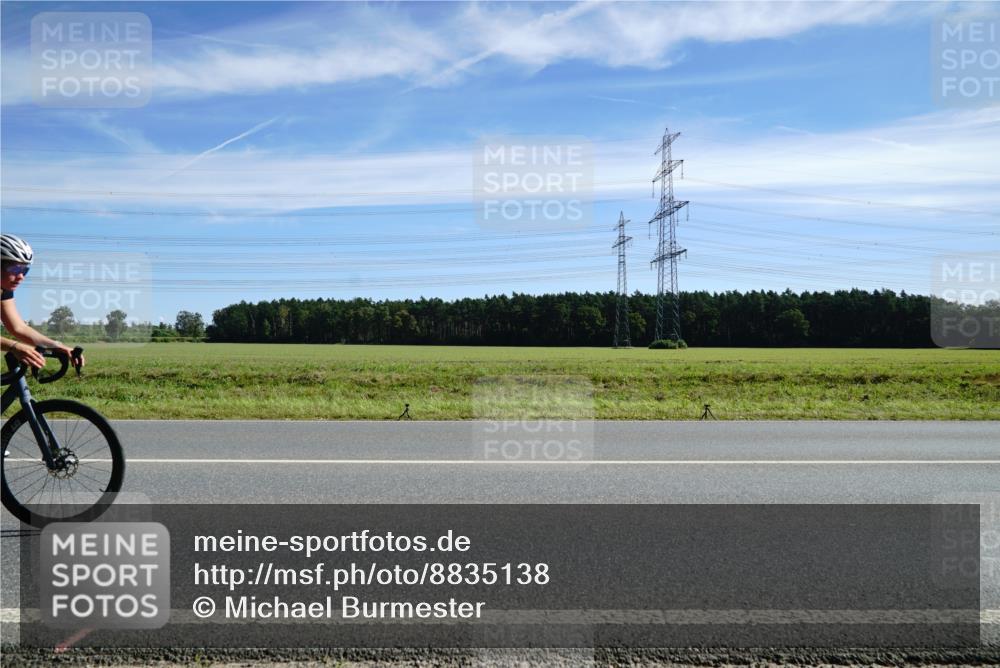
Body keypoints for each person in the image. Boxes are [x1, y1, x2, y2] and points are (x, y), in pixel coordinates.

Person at [1, 233, 85, 371]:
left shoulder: (3, 290)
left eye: (24, 270)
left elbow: (18, 328)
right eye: (15, 269)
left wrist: (56, 345)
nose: (21, 277)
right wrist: (14, 346)